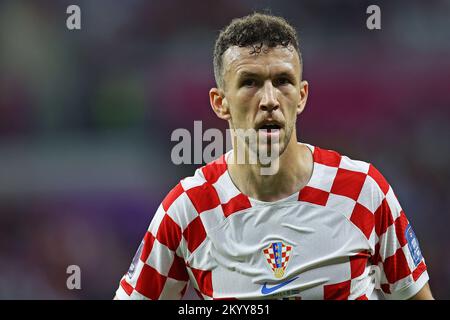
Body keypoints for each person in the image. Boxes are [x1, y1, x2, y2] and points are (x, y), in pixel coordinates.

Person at [114, 13, 433, 300]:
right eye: (250, 83)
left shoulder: (363, 192)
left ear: (302, 96)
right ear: (219, 102)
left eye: (282, 82)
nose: (269, 99)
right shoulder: (189, 209)